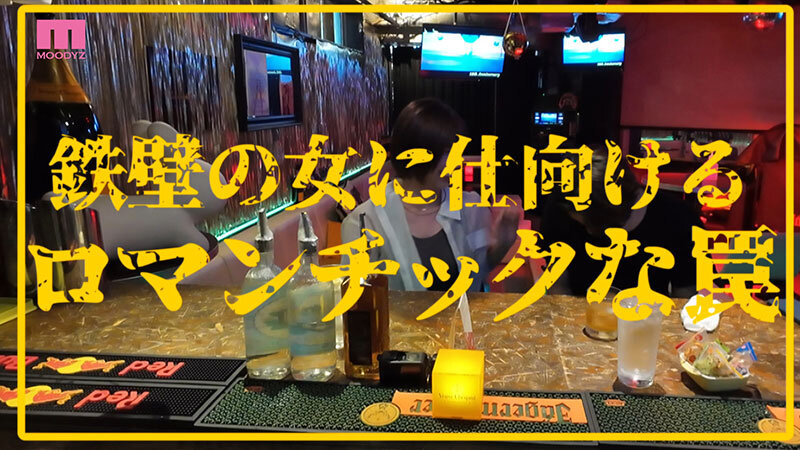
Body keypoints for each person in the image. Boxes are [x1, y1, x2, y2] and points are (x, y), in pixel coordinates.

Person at [342, 98, 518, 291]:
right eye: (447, 153)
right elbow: (356, 297)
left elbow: (478, 278)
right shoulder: (365, 222)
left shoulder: (470, 208)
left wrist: (502, 245)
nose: (457, 163)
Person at [540, 142, 702, 298]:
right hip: (582, 312)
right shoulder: (561, 205)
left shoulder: (678, 219)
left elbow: (684, 296)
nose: (587, 230)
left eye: (593, 223)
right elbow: (558, 285)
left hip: (650, 312)